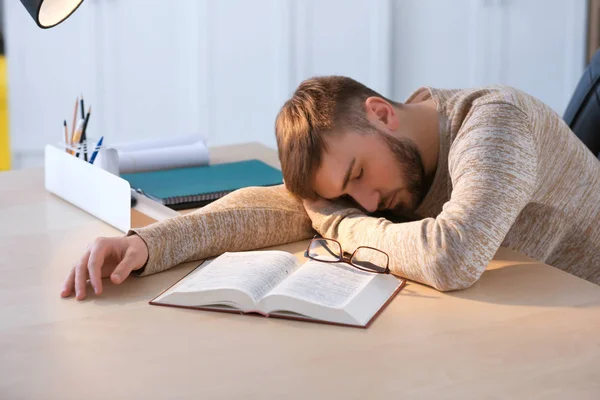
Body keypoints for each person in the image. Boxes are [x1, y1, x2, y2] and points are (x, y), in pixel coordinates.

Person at [61, 76, 600, 300]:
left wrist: (340, 223)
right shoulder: (385, 152)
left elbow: (451, 257)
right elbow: (288, 207)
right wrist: (148, 244)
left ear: (381, 113)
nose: (367, 204)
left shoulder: (495, 125)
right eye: (347, 193)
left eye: (358, 177)